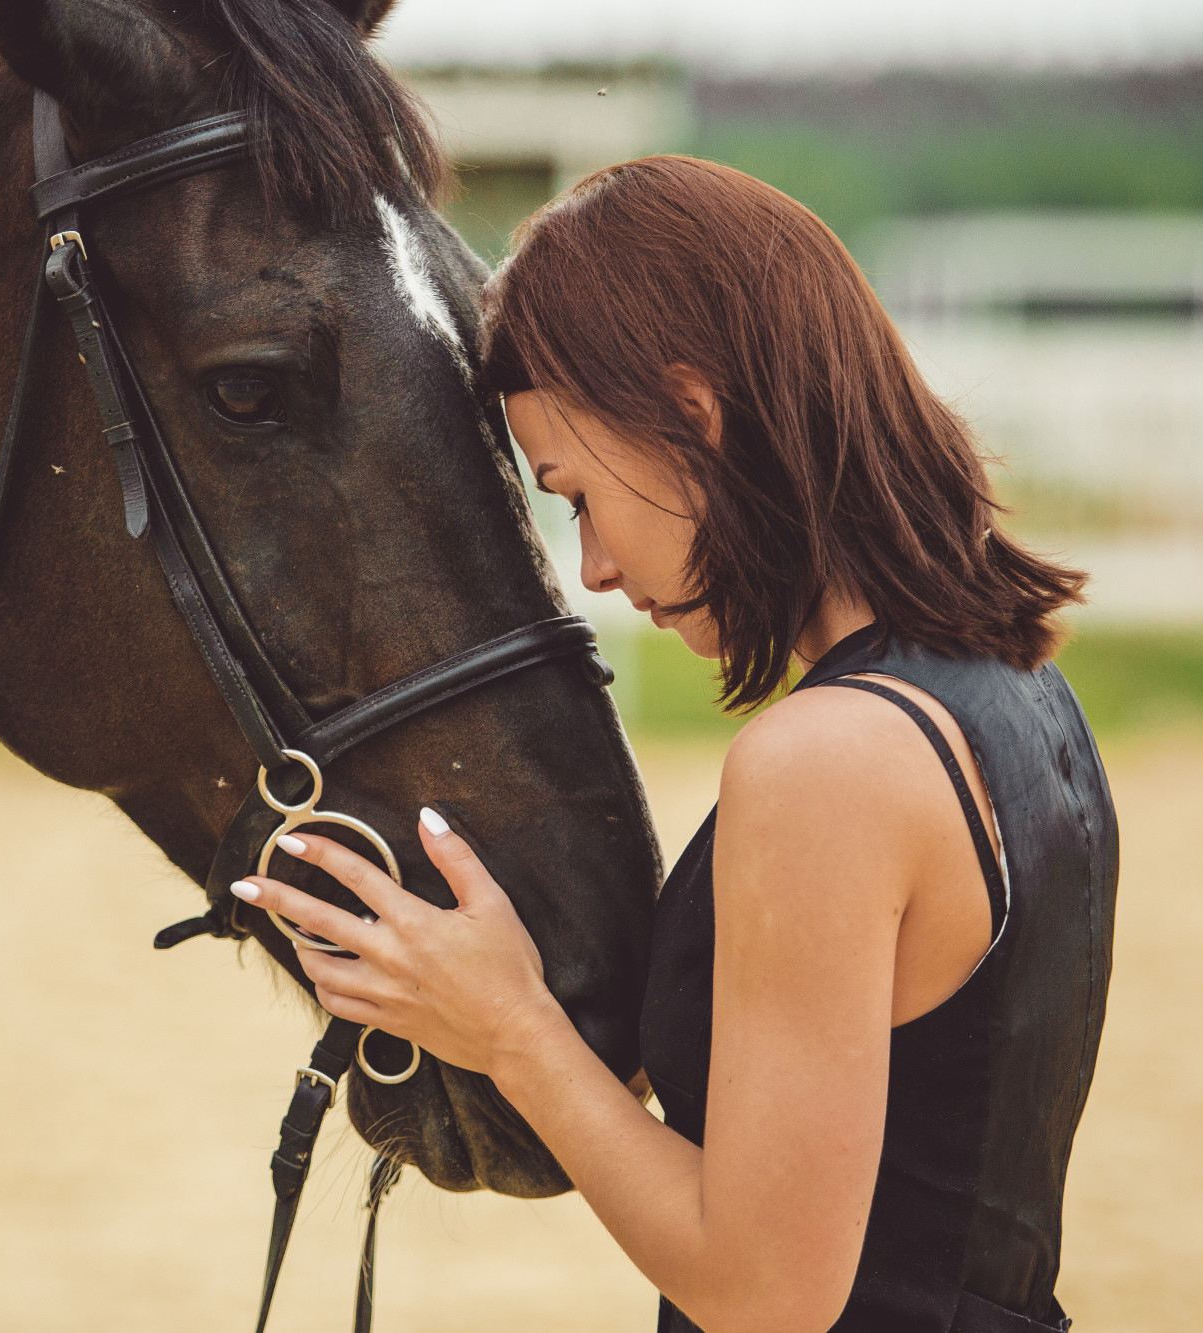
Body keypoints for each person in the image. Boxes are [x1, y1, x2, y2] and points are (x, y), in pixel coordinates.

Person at [230, 156, 1118, 1333]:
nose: (592, 566)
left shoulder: (828, 763)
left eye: (576, 495)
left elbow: (763, 1294)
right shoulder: (1018, 692)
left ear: (692, 415)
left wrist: (511, 1028)